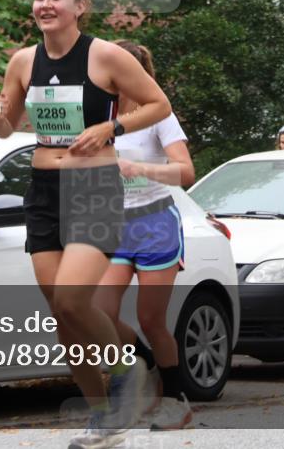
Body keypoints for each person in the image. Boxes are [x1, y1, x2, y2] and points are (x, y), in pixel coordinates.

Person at [0, 0, 172, 449]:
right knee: (62, 313)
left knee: (73, 298)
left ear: (79, 7)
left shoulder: (106, 56)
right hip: (44, 191)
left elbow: (159, 105)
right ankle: (105, 420)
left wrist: (111, 128)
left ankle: (127, 371)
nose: (44, 5)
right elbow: (6, 128)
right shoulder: (22, 61)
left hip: (93, 186)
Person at [95, 40, 196, 431]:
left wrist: (141, 169)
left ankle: (174, 400)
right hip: (114, 225)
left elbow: (185, 172)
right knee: (101, 311)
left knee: (151, 319)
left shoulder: (159, 117)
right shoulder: (99, 115)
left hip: (156, 225)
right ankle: (146, 362)